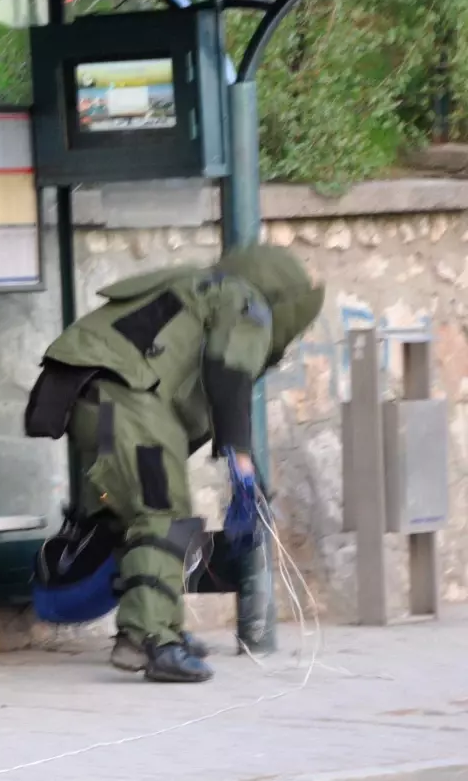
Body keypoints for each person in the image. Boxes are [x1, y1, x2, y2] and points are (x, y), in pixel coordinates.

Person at [24, 243, 324, 683]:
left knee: (132, 511)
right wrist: (240, 466)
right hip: (127, 401)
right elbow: (229, 371)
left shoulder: (192, 284)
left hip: (88, 398)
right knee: (162, 513)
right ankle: (151, 641)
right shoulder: (247, 302)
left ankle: (161, 628)